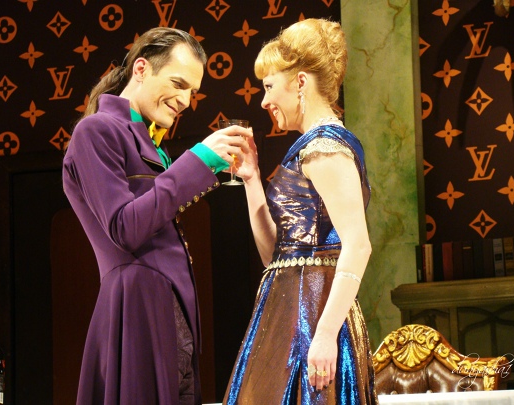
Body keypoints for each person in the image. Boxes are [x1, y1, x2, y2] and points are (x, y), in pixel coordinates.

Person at [62, 27, 251, 405]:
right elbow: (125, 227)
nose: (185, 101)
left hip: (170, 313)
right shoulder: (96, 130)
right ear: (142, 69)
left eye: (192, 92)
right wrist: (197, 160)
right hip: (136, 310)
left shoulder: (149, 143)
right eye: (178, 84)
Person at [224, 19, 378, 404]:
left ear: (300, 82)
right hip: (288, 310)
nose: (264, 101)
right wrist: (252, 179)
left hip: (313, 312)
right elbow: (273, 257)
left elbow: (358, 246)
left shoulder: (326, 148)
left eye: (269, 86)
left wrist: (324, 334)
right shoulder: (309, 148)